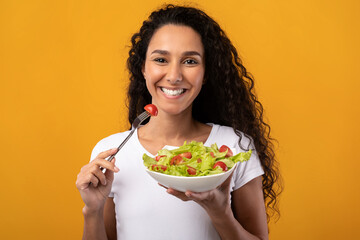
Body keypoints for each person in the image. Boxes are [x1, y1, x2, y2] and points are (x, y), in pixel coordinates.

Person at [76, 4, 281, 240]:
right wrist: (92, 210)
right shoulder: (110, 154)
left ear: (205, 74)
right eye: (161, 59)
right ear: (143, 68)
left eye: (190, 61)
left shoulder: (234, 146)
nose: (174, 76)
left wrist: (219, 211)